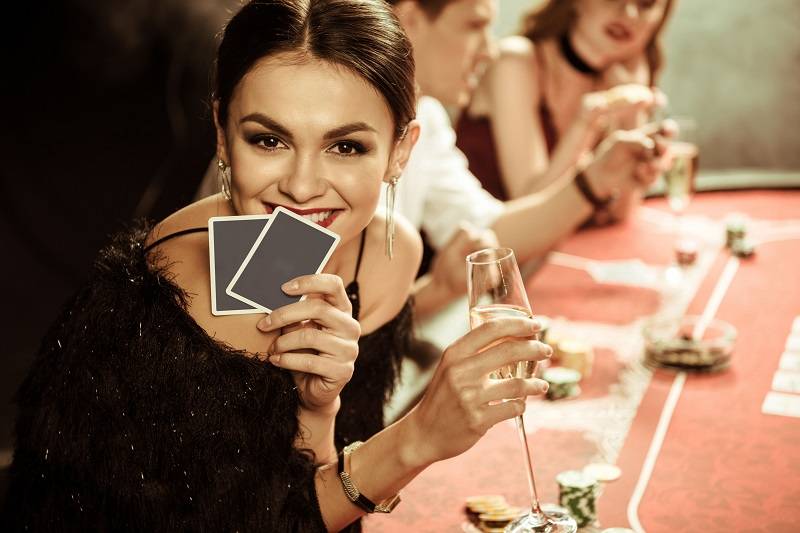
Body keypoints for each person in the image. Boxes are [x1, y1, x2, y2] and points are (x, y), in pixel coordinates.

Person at [1, 1, 550, 531]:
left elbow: (316, 494)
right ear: (221, 133)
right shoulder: (161, 298)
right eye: (269, 140)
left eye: (347, 147)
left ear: (400, 151)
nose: (302, 186)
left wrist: (319, 411)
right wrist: (418, 437)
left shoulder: (389, 257)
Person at [386, 0, 673, 319]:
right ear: (409, 20)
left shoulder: (426, 118)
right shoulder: (333, 129)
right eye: (474, 26)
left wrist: (596, 179)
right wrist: (438, 290)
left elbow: (493, 228)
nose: (489, 50)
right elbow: (334, 323)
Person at [455, 0, 675, 201]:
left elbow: (617, 213)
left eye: (646, 3)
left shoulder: (617, 80)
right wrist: (585, 122)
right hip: (490, 243)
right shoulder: (514, 61)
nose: (629, 13)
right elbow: (530, 207)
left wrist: (633, 114)